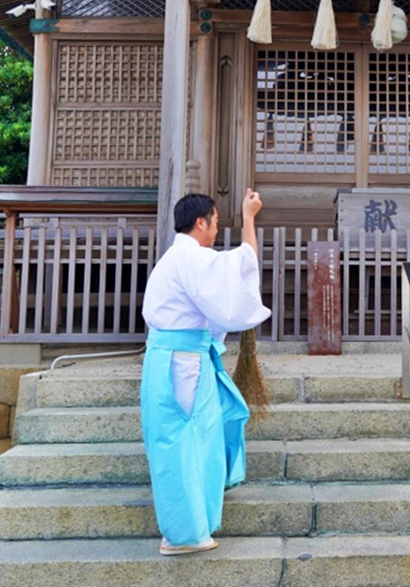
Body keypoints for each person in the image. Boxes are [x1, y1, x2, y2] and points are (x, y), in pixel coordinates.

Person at [139, 190, 271, 556]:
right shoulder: (191, 258)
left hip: (169, 360)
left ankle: (188, 527)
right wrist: (249, 219)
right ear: (202, 222)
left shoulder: (173, 259)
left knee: (179, 441)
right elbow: (242, 270)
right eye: (215, 221)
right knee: (184, 443)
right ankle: (186, 534)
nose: (216, 229)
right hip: (182, 364)